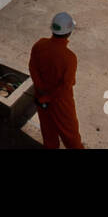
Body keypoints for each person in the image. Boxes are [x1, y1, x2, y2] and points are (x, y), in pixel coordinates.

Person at [28, 12, 85, 149]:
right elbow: (66, 86)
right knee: (71, 137)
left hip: (41, 98)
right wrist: (48, 97)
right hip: (60, 103)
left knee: (48, 134)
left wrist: (42, 93)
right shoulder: (69, 58)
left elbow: (32, 68)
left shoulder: (39, 44)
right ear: (69, 32)